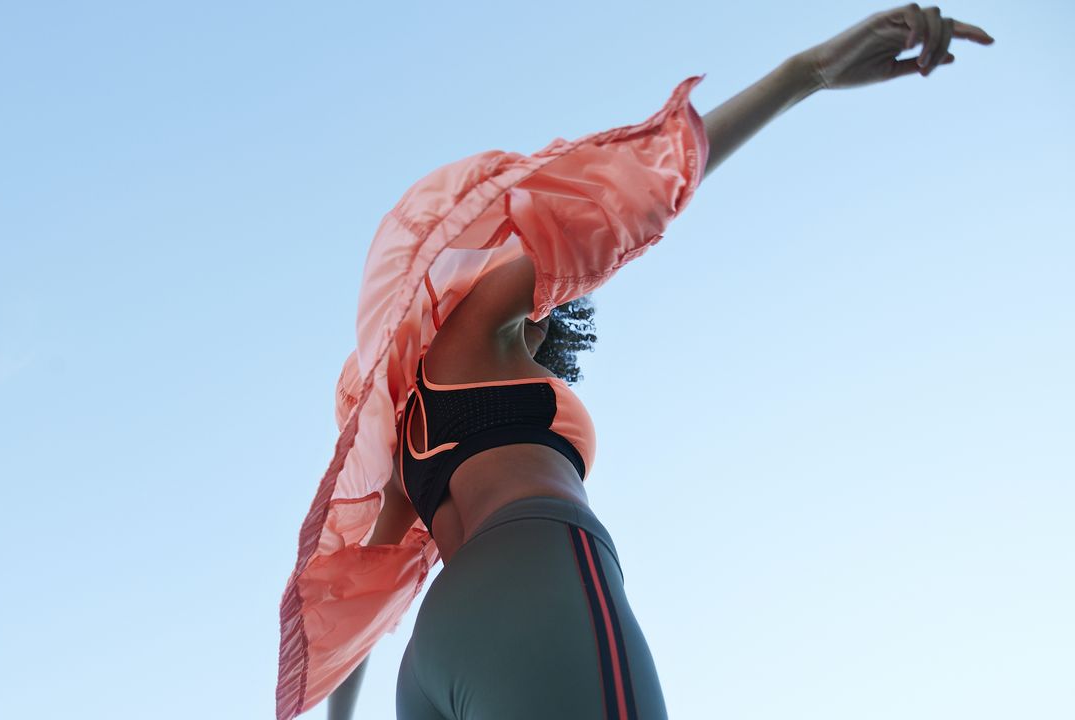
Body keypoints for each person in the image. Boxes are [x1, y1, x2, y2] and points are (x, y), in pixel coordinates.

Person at [277, 6, 995, 720]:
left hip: (430, 664)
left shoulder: (409, 439)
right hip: (532, 586)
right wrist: (804, 74)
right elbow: (622, 208)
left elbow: (362, 595)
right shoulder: (482, 327)